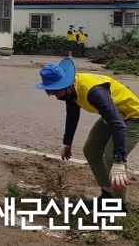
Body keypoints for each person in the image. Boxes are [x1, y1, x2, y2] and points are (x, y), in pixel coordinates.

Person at [34, 58, 139, 211]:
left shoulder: (94, 92)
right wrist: (67, 142)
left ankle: (119, 205)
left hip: (132, 118)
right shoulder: (70, 91)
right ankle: (107, 195)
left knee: (112, 156)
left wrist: (119, 161)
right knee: (91, 150)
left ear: (66, 83)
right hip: (112, 117)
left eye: (57, 91)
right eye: (51, 91)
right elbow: (72, 114)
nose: (56, 96)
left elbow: (118, 125)